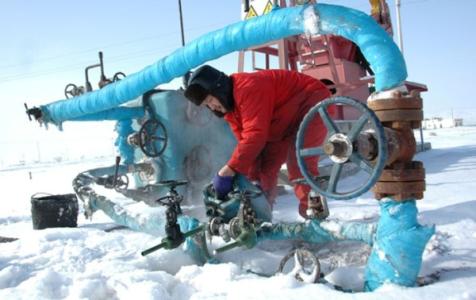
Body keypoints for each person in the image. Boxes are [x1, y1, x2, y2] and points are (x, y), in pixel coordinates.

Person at [184, 65, 332, 218]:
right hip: (282, 121)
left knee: (299, 163)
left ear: (218, 88)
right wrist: (249, 181)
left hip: (311, 101)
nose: (211, 106)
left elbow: (255, 135)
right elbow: (246, 144)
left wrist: (229, 169)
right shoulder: (230, 109)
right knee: (260, 172)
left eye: (210, 100)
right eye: (206, 105)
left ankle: (315, 217)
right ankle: (261, 216)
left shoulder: (248, 87)